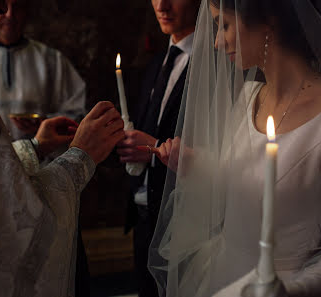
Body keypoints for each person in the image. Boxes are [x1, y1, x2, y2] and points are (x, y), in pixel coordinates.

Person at [148, 0, 321, 297]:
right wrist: (199, 165)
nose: (215, 42)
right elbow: (247, 189)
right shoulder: (249, 97)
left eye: (223, 26)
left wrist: (283, 291)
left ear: (269, 22)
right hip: (219, 274)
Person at [0, 1, 125, 296]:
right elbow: (14, 231)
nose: (2, 8)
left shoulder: (48, 60)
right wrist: (81, 158)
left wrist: (35, 147)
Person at [116, 0, 200, 296]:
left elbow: (217, 147)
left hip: (186, 224)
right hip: (144, 218)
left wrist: (151, 147)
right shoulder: (158, 62)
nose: (162, 5)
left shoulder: (215, 64)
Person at [0, 0, 86, 140]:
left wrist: (45, 123)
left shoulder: (52, 61)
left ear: (27, 12)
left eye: (18, 7)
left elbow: (77, 112)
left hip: (40, 159)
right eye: (3, 6)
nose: (10, 15)